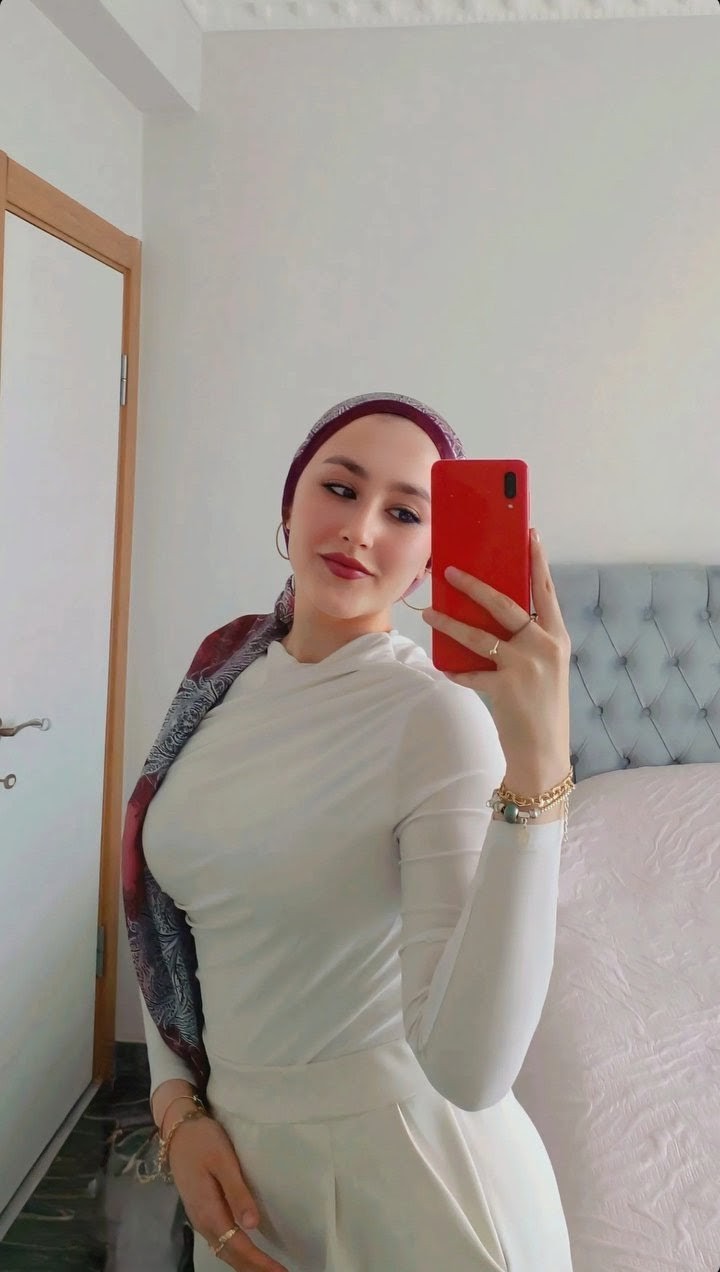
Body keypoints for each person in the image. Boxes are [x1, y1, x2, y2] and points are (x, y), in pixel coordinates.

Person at [122, 392, 575, 1272]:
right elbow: (173, 912)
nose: (360, 529)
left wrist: (539, 768)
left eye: (404, 512)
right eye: (339, 487)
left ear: (432, 557)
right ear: (290, 505)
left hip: (414, 1185)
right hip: (247, 1169)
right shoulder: (223, 672)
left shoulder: (436, 718)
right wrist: (177, 1109)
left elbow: (471, 1073)